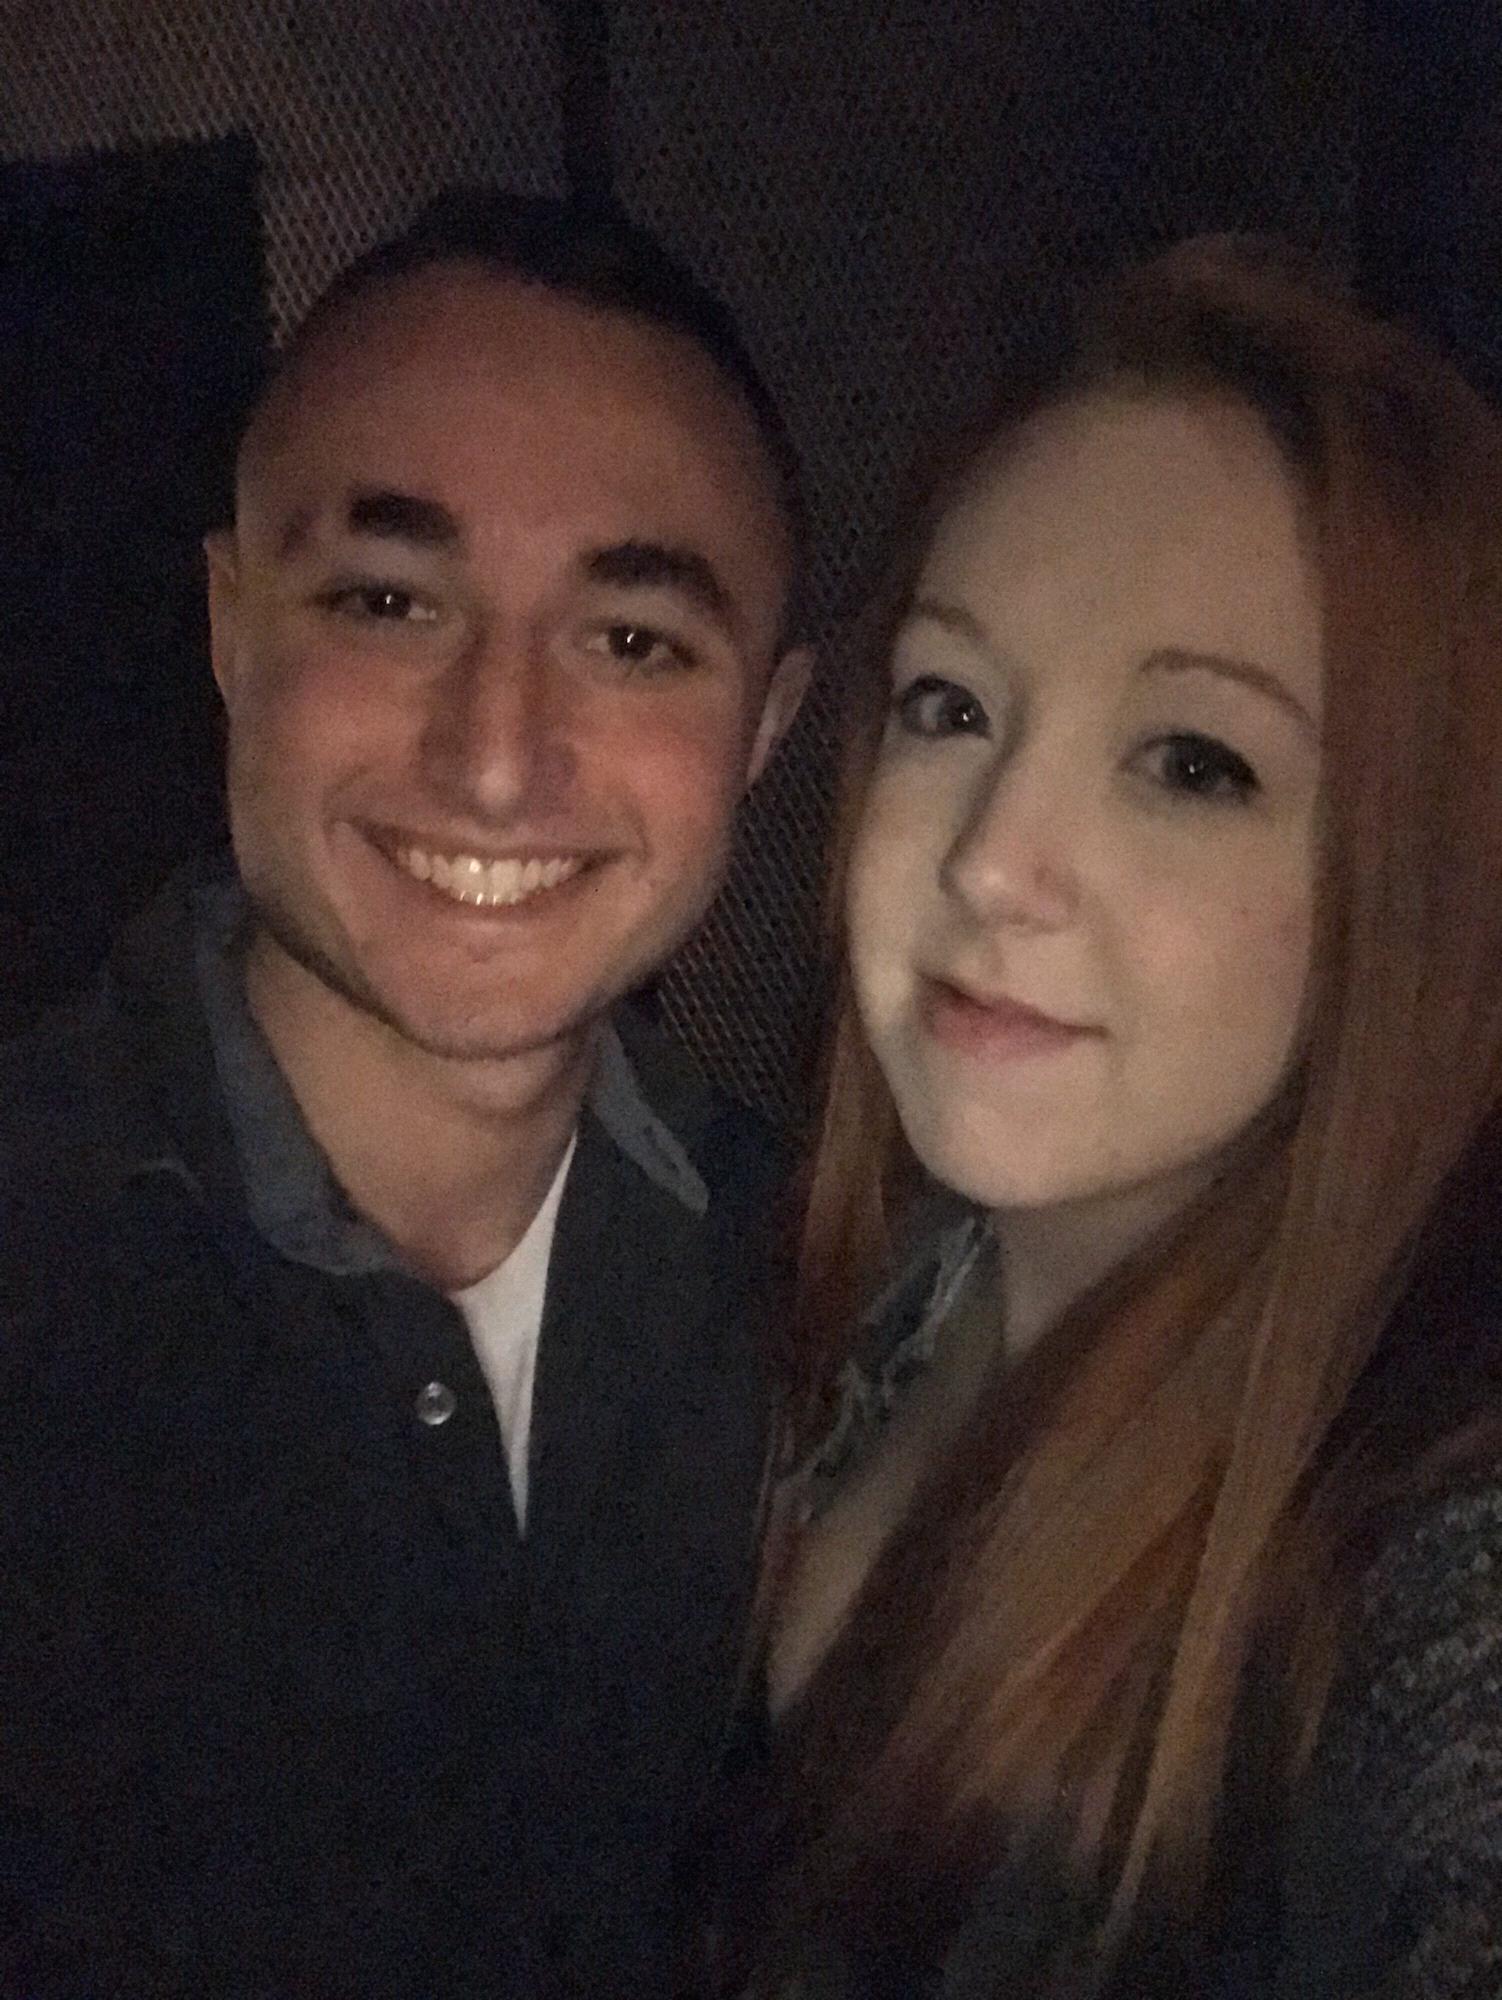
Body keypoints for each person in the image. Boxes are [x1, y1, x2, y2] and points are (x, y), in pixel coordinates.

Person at [0, 189, 810, 1998]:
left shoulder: (836, 1295)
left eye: (631, 641)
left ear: (762, 730)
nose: (495, 759)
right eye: (388, 601)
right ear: (233, 629)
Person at [762, 238, 1502, 1997]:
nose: (991, 860)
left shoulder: (1422, 1523)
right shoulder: (878, 1290)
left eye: (1190, 762)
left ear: (1413, 877)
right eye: (950, 707)